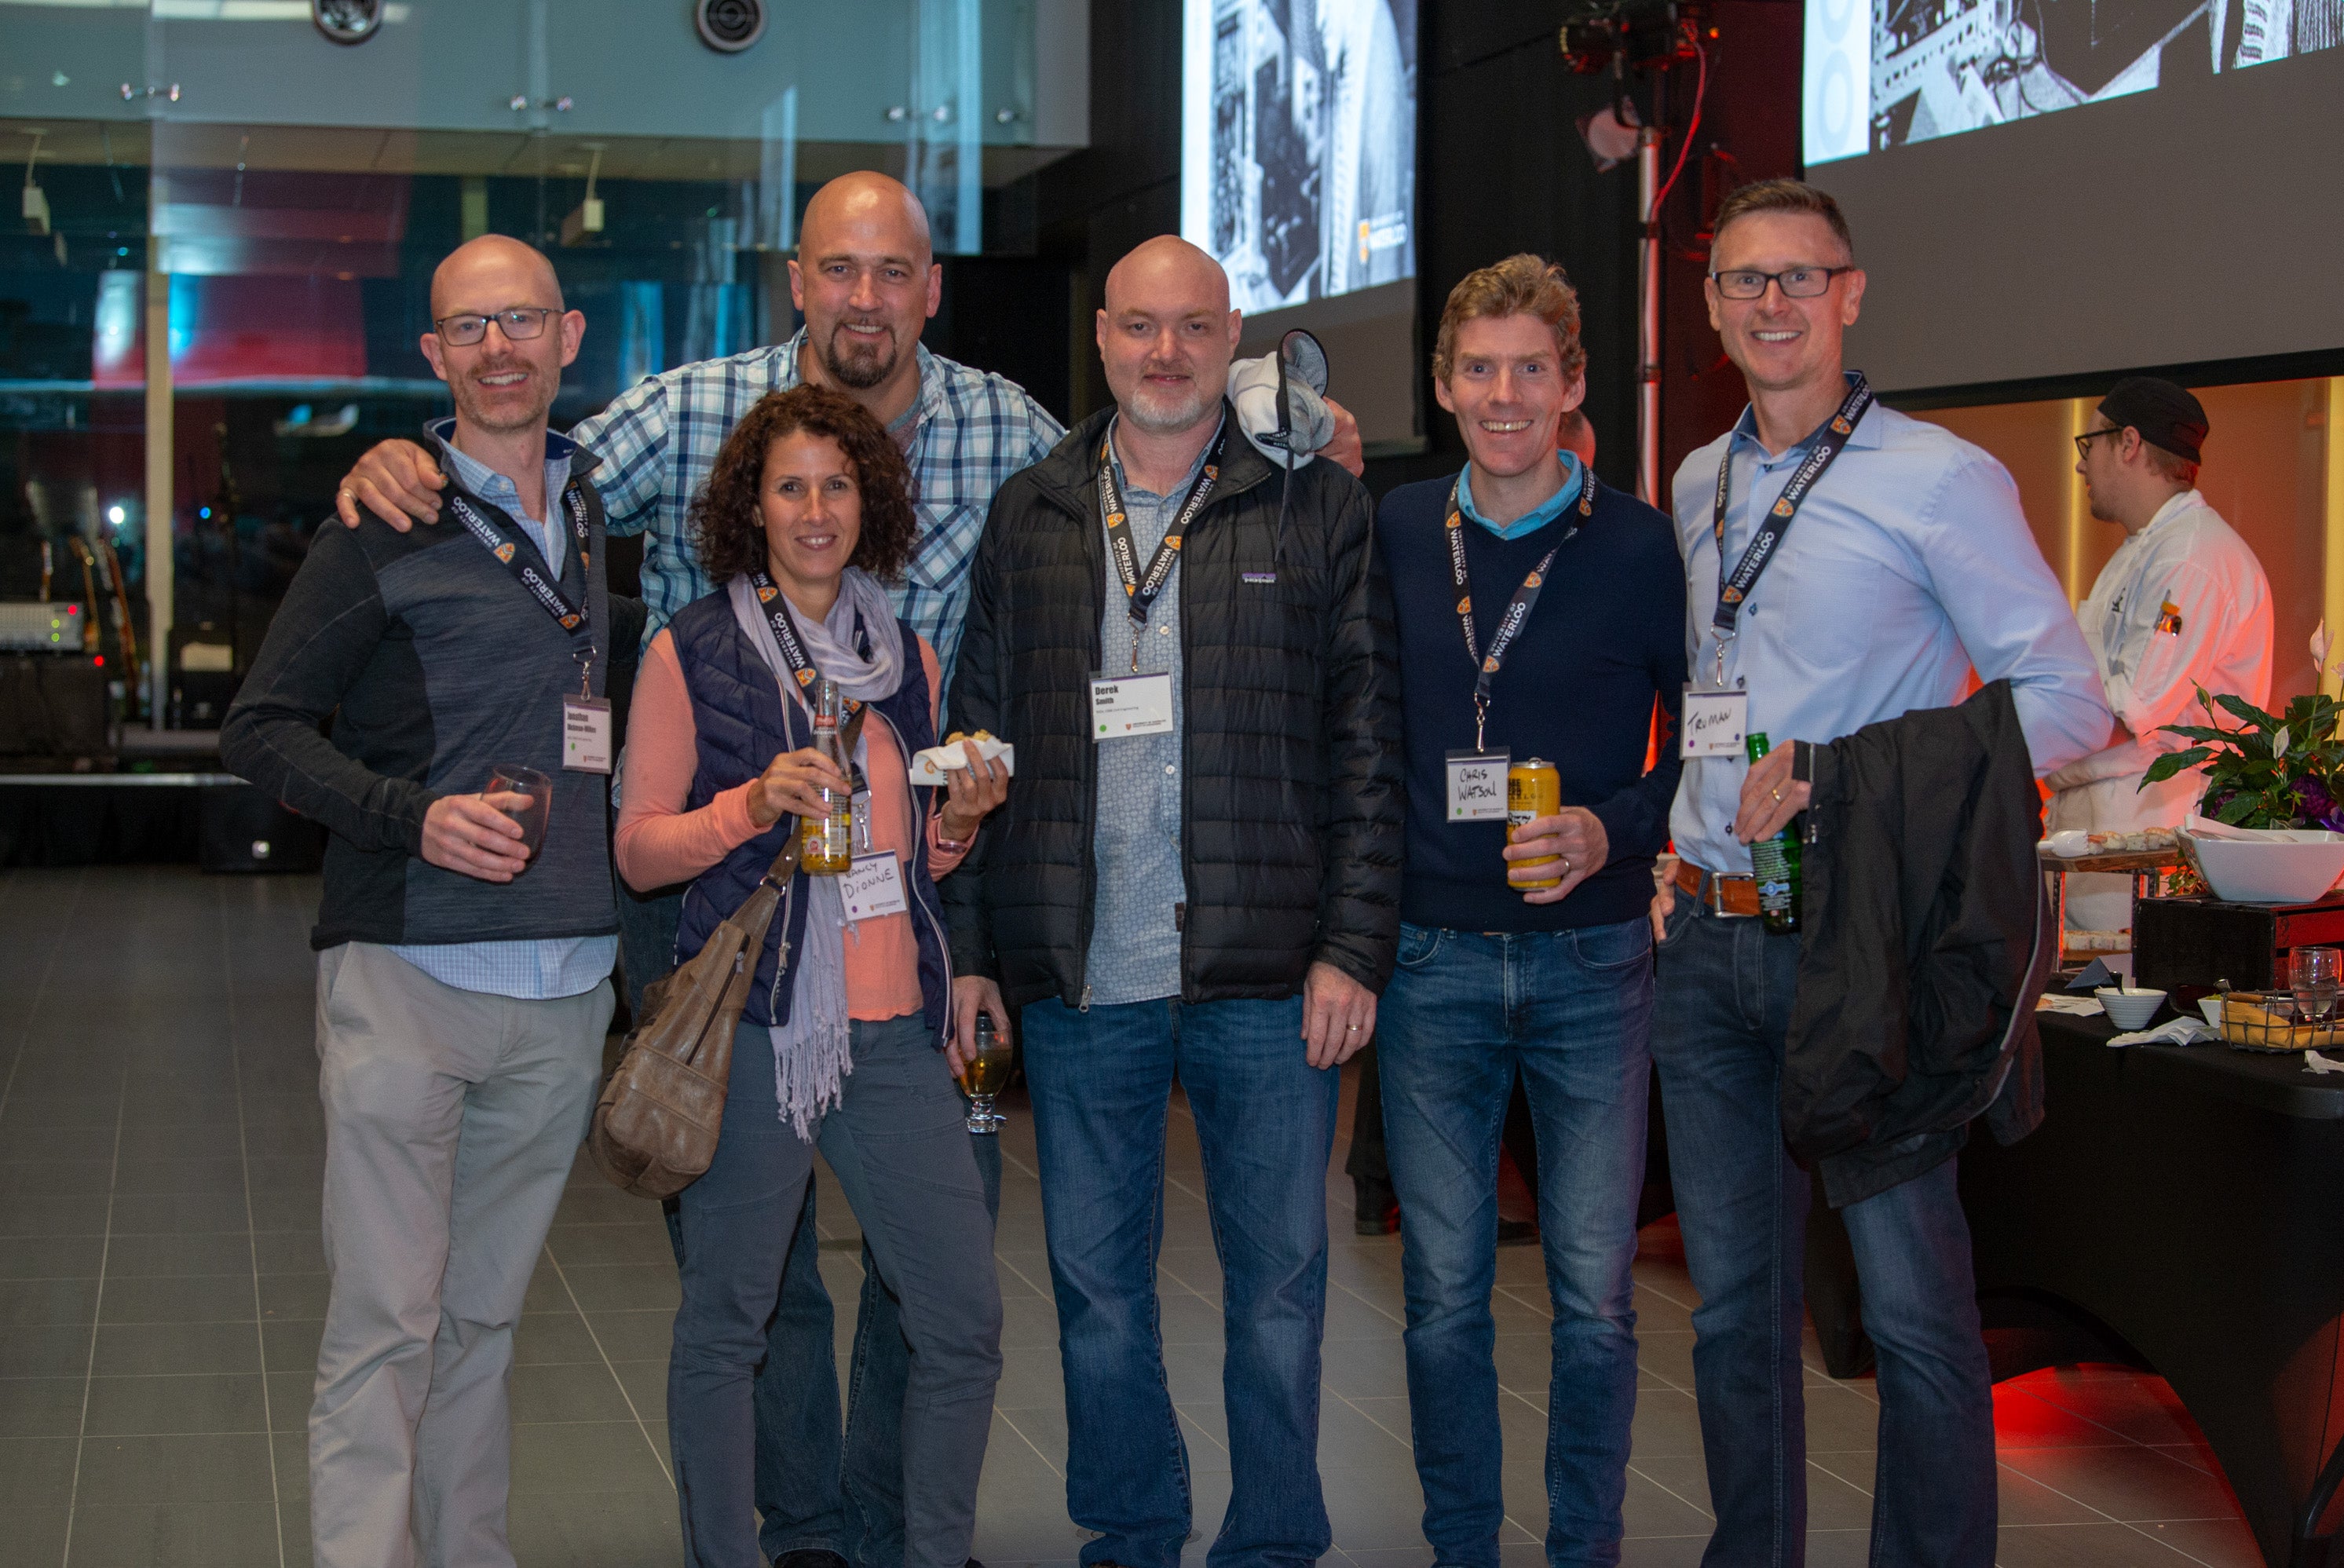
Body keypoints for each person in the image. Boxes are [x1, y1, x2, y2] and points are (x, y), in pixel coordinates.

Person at [327, 171, 1360, 1568]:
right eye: (838, 271)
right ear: (797, 282)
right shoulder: (696, 428)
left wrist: (1294, 441)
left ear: (930, 288)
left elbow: (1153, 474)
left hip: (910, 939)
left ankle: (892, 1527)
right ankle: (794, 1529)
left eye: (894, 273)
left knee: (932, 1285)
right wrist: (412, 456)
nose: (864, 298)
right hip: (732, 951)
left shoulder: (1008, 441)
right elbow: (530, 461)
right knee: (753, 1291)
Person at [1647, 179, 2111, 1567]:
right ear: (1714, 306)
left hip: (1864, 947)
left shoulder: (1939, 476)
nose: (1773, 304)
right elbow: (1717, 687)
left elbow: (2072, 702)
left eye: (1802, 277)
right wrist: (1678, 835)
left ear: (1851, 295)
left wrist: (1857, 777)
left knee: (1912, 1310)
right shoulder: (1696, 479)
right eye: (1745, 281)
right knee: (1733, 1310)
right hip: (1709, 940)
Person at [942, 235, 1402, 1567]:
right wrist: (973, 952)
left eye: (1193, 328)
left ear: (1233, 332)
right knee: (1094, 1293)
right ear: (1100, 337)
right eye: (1140, 327)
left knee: (1279, 1295)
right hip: (1084, 976)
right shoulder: (1031, 511)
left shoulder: (1315, 504)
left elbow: (1367, 741)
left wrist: (1353, 945)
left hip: (1270, 973)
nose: (1164, 354)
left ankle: (1271, 1542)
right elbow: (976, 743)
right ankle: (1133, 1534)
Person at [221, 235, 623, 1568]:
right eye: (469, 328)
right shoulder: (381, 519)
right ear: (434, 357)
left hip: (566, 990)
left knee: (484, 1321)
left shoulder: (597, 508)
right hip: (409, 977)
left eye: (521, 321)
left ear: (569, 338)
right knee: (387, 1323)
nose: (498, 347)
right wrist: (414, 815)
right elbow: (262, 728)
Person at [615, 384, 1010, 1568]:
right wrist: (750, 803)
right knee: (728, 1325)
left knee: (962, 1323)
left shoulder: (910, 659)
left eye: (838, 484)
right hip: (754, 1035)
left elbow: (914, 860)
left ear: (871, 502)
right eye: (790, 485)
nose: (816, 508)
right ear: (753, 505)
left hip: (892, 1038)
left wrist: (963, 823)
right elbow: (637, 849)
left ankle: (932, 1552)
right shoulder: (694, 654)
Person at [1373, 254, 1685, 1565]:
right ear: (1445, 387)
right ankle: (1460, 1546)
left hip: (1593, 959)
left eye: (1532, 370)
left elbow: (1708, 748)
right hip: (1427, 958)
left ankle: (1586, 1547)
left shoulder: (1638, 544)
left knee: (1596, 1303)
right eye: (1480, 370)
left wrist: (1612, 825)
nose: (1506, 395)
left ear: (1572, 387)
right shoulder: (1391, 529)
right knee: (1442, 1297)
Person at [2046, 378, 2273, 930]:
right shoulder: (2142, 551)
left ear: (2128, 443)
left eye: (2087, 445)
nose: (2081, 466)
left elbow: (2130, 714)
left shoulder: (2191, 558)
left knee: (2127, 1002)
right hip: (2098, 846)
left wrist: (2016, 747)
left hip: (2144, 851)